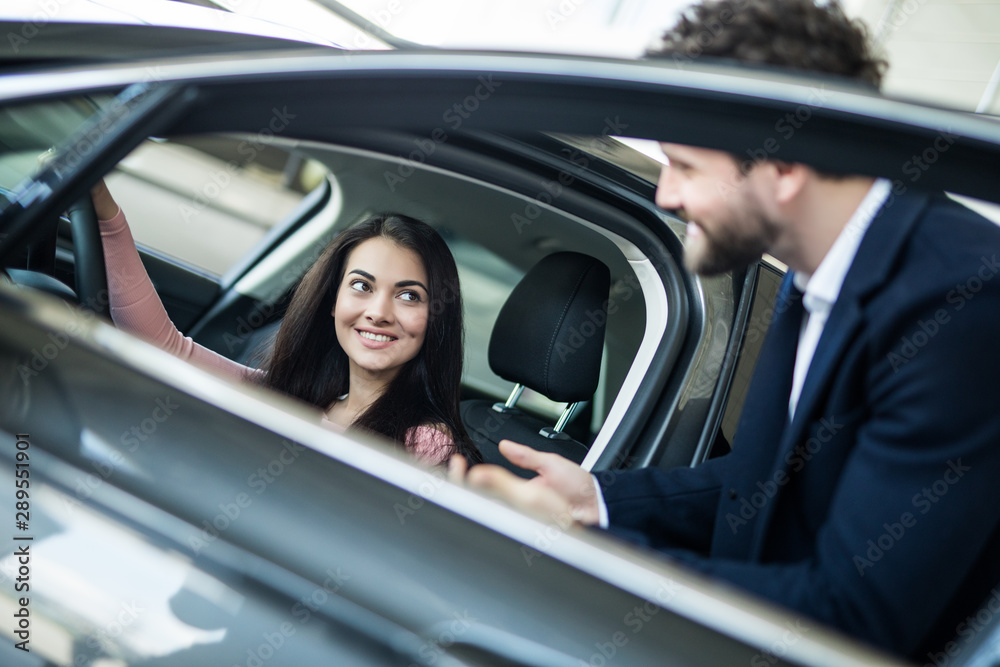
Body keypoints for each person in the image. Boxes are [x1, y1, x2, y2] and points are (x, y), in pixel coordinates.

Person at [449, 0, 1000, 662]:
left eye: (684, 165)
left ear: (786, 166)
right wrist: (596, 499)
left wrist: (575, 542)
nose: (668, 196)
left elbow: (854, 617)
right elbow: (763, 479)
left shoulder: (959, 303)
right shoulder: (817, 266)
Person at [90, 179, 481, 467]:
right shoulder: (287, 396)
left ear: (435, 318)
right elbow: (163, 345)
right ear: (332, 301)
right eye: (362, 286)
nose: (379, 312)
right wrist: (106, 213)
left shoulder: (425, 445)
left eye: (409, 295)